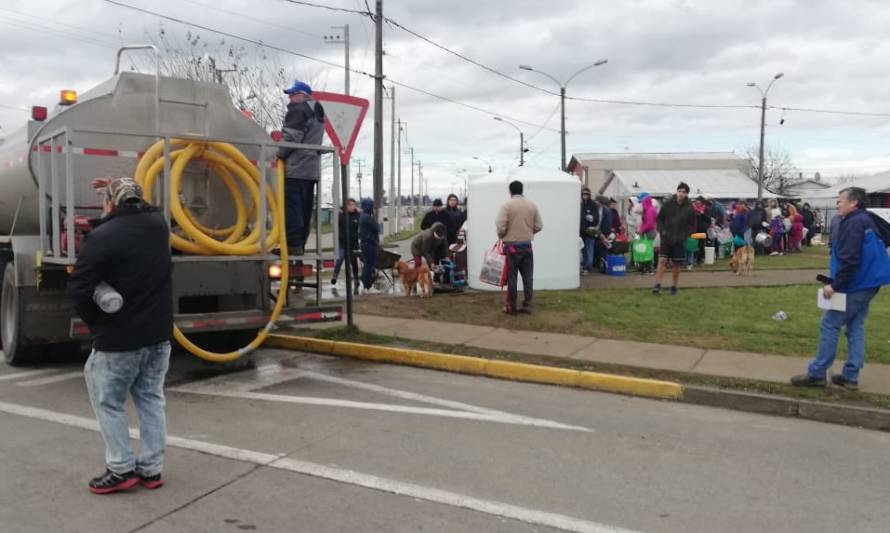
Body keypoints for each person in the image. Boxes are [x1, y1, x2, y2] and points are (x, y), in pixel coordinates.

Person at [68, 177, 173, 494]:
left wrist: (98, 324)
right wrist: (117, 184)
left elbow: (80, 289)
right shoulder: (159, 226)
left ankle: (120, 469)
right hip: (158, 337)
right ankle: (151, 470)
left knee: (109, 402)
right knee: (151, 401)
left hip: (120, 339)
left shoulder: (102, 238)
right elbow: (135, 205)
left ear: (110, 203)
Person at [791, 187, 890, 390]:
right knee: (855, 326)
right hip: (870, 282)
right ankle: (850, 376)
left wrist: (834, 285)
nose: (837, 204)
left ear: (853, 202)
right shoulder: (868, 218)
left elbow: (850, 260)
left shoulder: (853, 223)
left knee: (830, 324)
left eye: (840, 200)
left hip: (856, 283)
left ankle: (817, 373)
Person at [278, 80, 325, 256]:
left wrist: (278, 153)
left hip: (296, 167)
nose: (290, 99)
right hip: (311, 169)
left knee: (292, 206)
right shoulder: (317, 110)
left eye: (292, 94)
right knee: (305, 209)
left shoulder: (299, 110)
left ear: (303, 95)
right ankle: (301, 244)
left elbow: (291, 137)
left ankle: (293, 244)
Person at [496, 180, 543, 314]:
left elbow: (500, 226)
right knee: (528, 277)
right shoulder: (531, 205)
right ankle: (527, 305)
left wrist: (503, 234)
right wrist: (528, 232)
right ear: (522, 190)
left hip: (511, 246)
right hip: (527, 246)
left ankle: (511, 306)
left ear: (510, 191)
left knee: (512, 277)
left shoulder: (507, 205)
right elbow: (539, 225)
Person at [653, 182, 696, 295]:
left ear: (687, 194)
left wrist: (684, 235)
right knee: (662, 260)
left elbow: (692, 225)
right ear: (677, 192)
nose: (681, 194)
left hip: (679, 239)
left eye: (684, 192)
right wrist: (662, 230)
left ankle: (674, 286)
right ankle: (657, 285)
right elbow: (659, 219)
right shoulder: (668, 204)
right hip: (666, 237)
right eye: (680, 191)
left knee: (676, 263)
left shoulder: (689, 208)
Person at [331, 198, 360, 291]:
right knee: (340, 258)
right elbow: (335, 225)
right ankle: (335, 275)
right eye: (349, 205)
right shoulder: (341, 215)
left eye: (353, 205)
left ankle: (356, 279)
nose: (352, 207)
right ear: (346, 206)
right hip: (343, 243)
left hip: (353, 243)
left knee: (353, 261)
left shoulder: (358, 216)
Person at [358, 198, 380, 294]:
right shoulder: (367, 217)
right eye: (372, 206)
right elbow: (377, 228)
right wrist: (375, 217)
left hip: (365, 243)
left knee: (367, 265)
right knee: (369, 265)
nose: (374, 209)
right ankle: (368, 286)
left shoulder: (363, 216)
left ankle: (365, 286)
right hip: (370, 244)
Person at [579, 187, 599, 275]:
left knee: (589, 250)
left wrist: (592, 218)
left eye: (587, 194)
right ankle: (584, 266)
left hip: (590, 232)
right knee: (583, 251)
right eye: (583, 194)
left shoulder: (593, 205)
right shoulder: (580, 204)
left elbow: (596, 219)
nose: (585, 195)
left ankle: (588, 267)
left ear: (589, 195)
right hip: (581, 232)